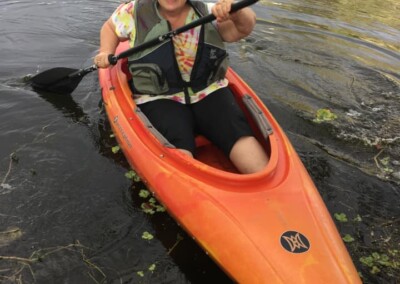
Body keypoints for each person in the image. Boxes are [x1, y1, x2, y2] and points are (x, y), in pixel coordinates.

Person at [94, 0, 268, 174]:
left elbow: (243, 28)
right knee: (177, 144)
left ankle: (268, 185)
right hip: (159, 97)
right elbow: (110, 28)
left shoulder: (209, 12)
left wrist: (238, 12)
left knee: (238, 134)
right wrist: (105, 51)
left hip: (208, 90)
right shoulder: (133, 13)